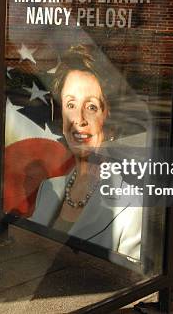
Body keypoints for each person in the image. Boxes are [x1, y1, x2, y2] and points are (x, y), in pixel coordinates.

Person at [28, 45, 143, 259]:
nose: (79, 119)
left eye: (91, 107)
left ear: (107, 115)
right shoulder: (48, 189)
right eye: (70, 104)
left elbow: (130, 283)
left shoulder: (131, 206)